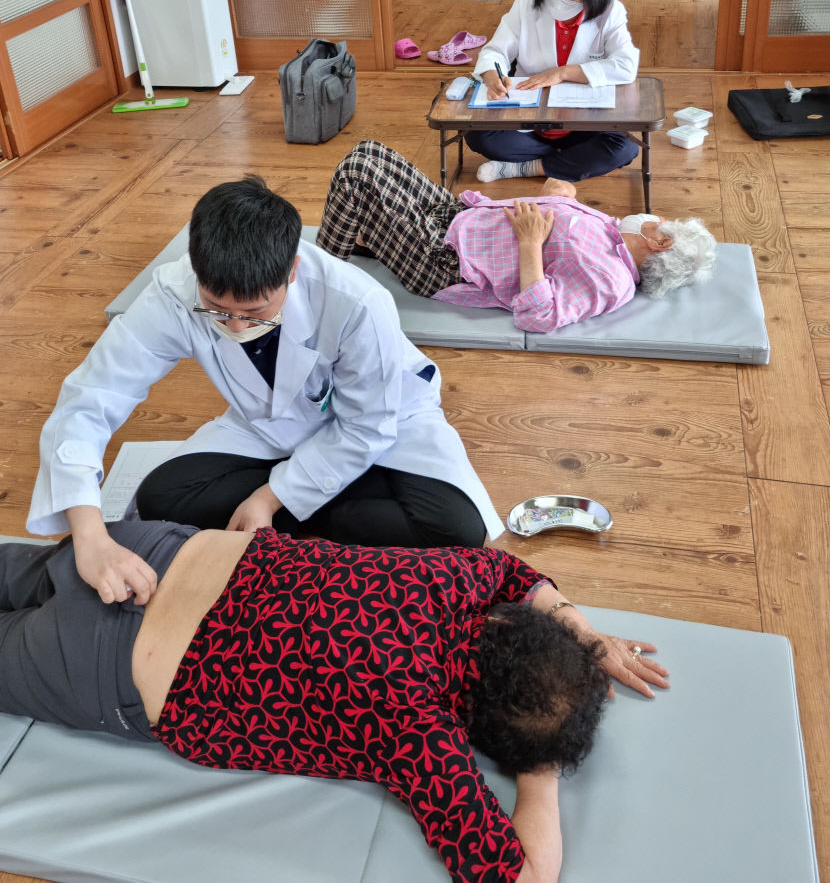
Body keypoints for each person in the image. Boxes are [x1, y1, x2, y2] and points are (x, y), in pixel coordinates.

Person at [0, 521, 670, 882]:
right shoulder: (419, 730)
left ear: (504, 624)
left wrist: (585, 636)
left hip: (142, 550)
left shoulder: (457, 579)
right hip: (103, 660)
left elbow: (519, 575)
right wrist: (541, 762)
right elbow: (522, 875)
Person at [27, 175, 505, 606]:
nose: (235, 327)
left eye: (255, 312)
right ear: (197, 272)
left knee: (457, 529)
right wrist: (90, 538)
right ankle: (329, 508)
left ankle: (289, 511)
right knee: (162, 497)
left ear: (291, 272)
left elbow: (365, 427)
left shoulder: (356, 302)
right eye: (217, 310)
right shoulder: (174, 295)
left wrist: (270, 497)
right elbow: (90, 397)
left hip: (389, 422)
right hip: (269, 423)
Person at [317, 141, 717, 334]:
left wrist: (530, 244)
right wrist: (559, 199)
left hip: (445, 260)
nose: (656, 218)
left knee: (356, 173)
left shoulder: (610, 280)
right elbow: (562, 229)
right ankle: (363, 240)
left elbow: (538, 315)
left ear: (659, 243)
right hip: (457, 216)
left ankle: (318, 283)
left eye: (662, 223)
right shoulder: (614, 230)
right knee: (370, 151)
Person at [466, 0, 640, 184]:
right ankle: (569, 162)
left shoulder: (609, 10)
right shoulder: (526, 3)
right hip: (529, 121)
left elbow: (626, 66)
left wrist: (563, 73)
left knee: (624, 146)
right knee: (478, 136)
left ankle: (528, 167)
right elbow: (495, 51)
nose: (558, 0)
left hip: (582, 124)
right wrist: (492, 76)